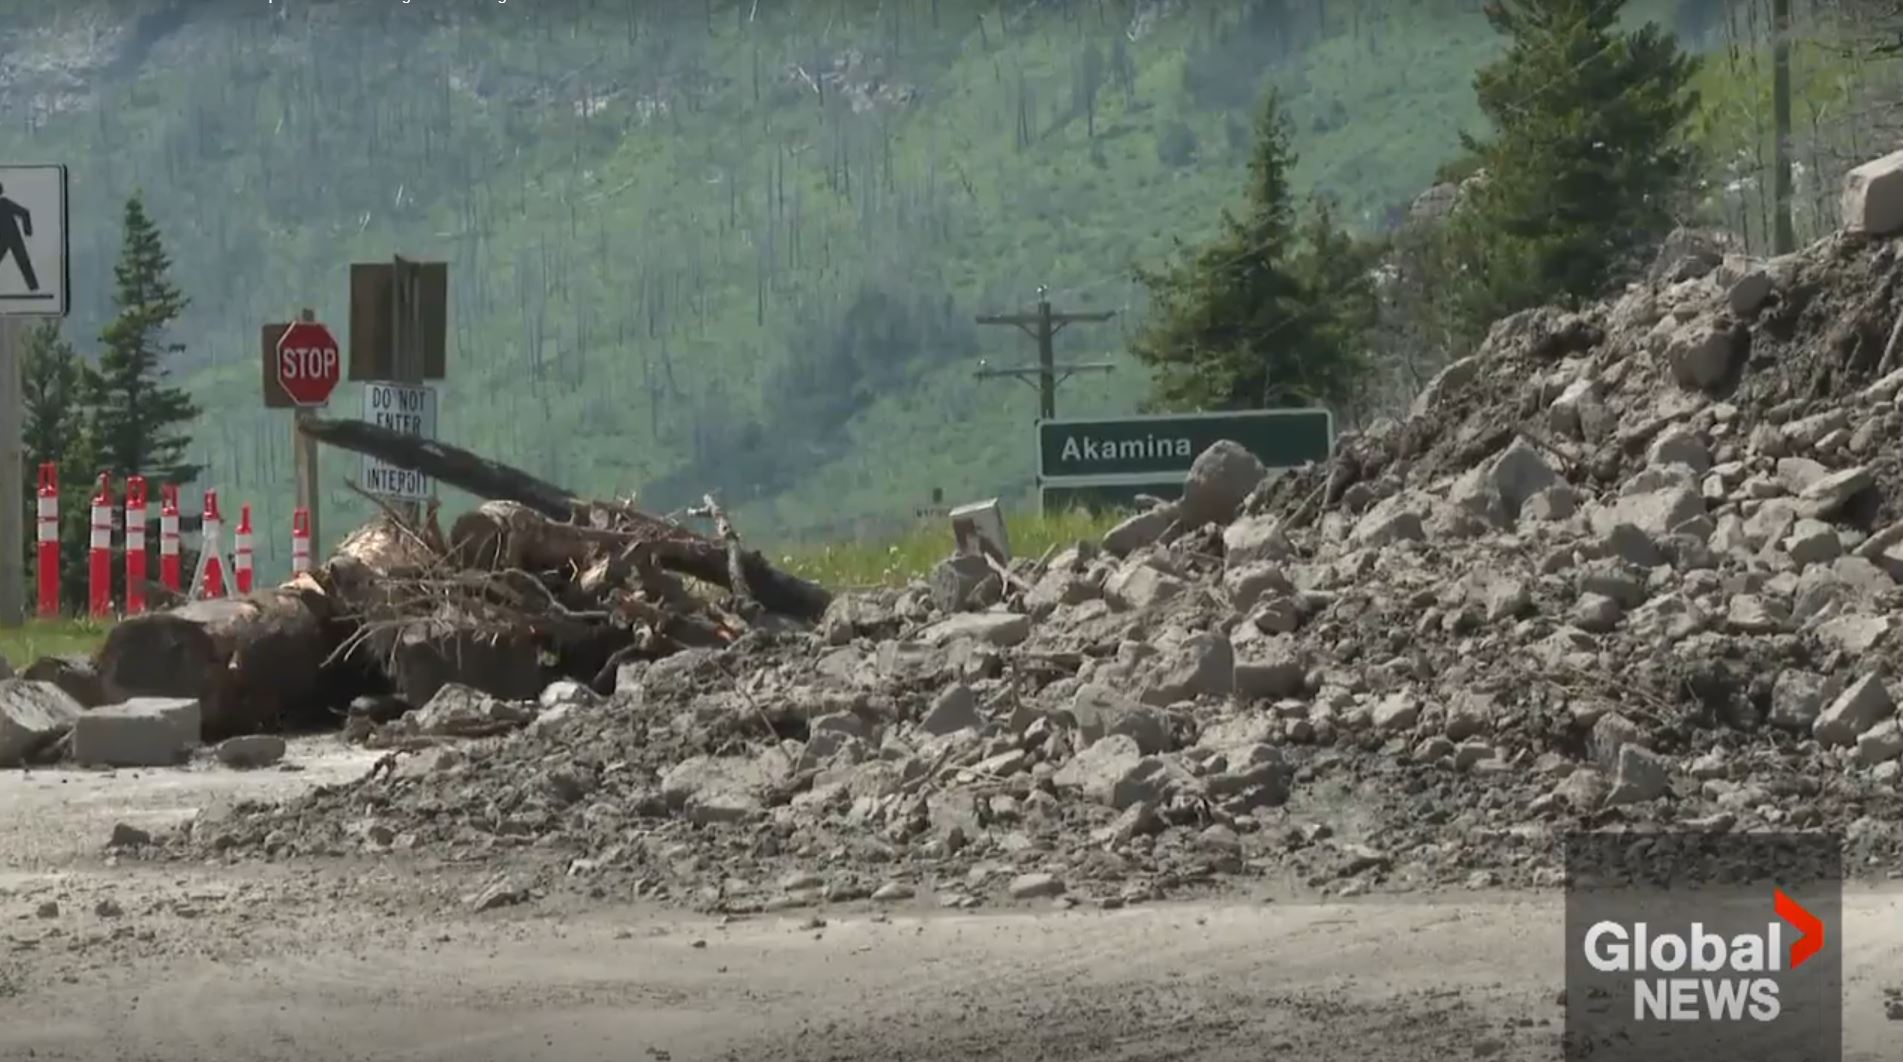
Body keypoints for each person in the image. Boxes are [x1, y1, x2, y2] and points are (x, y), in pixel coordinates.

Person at [0, 181, 41, 292]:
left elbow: (25, 212)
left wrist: (28, 232)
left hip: (12, 238)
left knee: (24, 262)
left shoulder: (4, 203)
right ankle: (34, 287)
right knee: (24, 262)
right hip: (9, 238)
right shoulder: (5, 203)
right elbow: (25, 213)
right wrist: (27, 232)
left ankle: (34, 288)